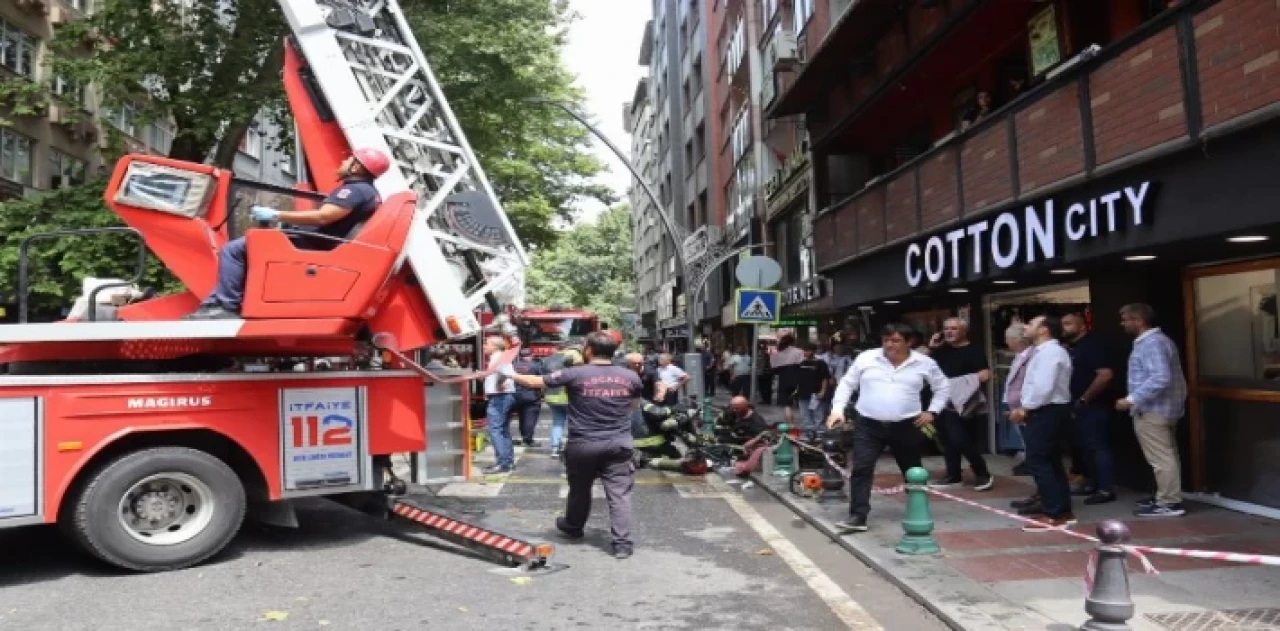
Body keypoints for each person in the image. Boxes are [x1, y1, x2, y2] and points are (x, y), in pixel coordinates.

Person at [187, 148, 391, 319]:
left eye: (349, 160)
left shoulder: (354, 190)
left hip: (306, 241)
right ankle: (223, 302)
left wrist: (277, 214)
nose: (343, 162)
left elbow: (324, 217)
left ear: (356, 167)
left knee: (233, 250)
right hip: (312, 240)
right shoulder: (369, 193)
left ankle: (225, 307)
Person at [513, 332, 644, 559]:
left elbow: (534, 381)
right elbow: (634, 406)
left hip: (583, 444)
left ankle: (573, 527)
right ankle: (622, 544)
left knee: (580, 489)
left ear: (589, 350)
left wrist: (503, 370)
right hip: (619, 444)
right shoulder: (630, 377)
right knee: (619, 494)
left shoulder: (574, 373)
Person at [826, 323, 950, 533]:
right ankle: (858, 515)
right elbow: (847, 383)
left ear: (909, 342)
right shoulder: (867, 358)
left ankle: (918, 510)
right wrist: (837, 410)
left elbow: (943, 387)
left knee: (913, 470)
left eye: (895, 340)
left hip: (906, 425)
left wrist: (933, 411)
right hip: (868, 424)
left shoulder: (924, 363)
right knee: (862, 468)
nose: (889, 345)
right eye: (886, 340)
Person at [1117, 303, 1187, 518]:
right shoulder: (1158, 341)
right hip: (1164, 408)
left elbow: (1160, 377)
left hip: (1153, 409)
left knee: (1161, 458)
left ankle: (1169, 502)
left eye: (1126, 319)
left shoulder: (1151, 343)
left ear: (1139, 320)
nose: (1122, 324)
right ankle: (1166, 496)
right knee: (1167, 455)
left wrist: (1131, 399)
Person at [1009, 316, 1076, 531]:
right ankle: (1062, 509)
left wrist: (1025, 409)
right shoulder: (1045, 352)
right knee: (1051, 460)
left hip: (1046, 411)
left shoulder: (1050, 353)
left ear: (1044, 330)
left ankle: (1052, 513)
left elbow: (1042, 387)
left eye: (1031, 324)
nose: (1025, 327)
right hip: (1050, 410)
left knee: (1039, 460)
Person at [925, 318, 994, 490]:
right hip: (940, 401)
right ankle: (953, 474)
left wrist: (954, 384)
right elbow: (922, 367)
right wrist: (932, 347)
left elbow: (985, 374)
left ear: (963, 331)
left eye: (954, 329)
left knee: (961, 439)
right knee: (946, 439)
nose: (949, 332)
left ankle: (982, 473)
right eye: (946, 328)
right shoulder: (940, 351)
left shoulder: (973, 351)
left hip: (962, 402)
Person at [1062, 312, 1116, 505]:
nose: (1064, 327)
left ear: (1082, 327)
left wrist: (1085, 399)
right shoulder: (1071, 348)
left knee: (1097, 446)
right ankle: (1091, 483)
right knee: (1084, 447)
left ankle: (1105, 489)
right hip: (1076, 406)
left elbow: (1105, 375)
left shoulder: (1092, 345)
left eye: (1068, 324)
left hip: (1094, 406)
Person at [481, 336, 518, 474]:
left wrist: (498, 383)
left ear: (495, 346)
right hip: (503, 397)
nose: (484, 346)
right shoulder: (499, 357)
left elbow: (504, 372)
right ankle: (507, 462)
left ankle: (503, 463)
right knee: (503, 430)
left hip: (499, 397)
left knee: (495, 430)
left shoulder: (499, 357)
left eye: (487, 344)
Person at [542, 343, 583, 458]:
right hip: (569, 397)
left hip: (551, 396)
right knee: (574, 423)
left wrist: (543, 394)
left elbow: (543, 380)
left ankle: (555, 448)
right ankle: (573, 448)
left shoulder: (547, 360)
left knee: (557, 422)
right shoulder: (574, 357)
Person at [791, 344, 832, 435]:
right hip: (803, 393)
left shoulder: (821, 363)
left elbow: (825, 378)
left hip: (816, 394)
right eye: (804, 350)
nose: (805, 352)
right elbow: (798, 378)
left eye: (808, 350)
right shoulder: (801, 363)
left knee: (818, 414)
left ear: (813, 351)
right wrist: (796, 390)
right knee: (805, 414)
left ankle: (818, 433)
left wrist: (822, 391)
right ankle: (808, 433)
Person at [511, 348, 544, 447]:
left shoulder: (514, 366)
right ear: (531, 355)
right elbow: (541, 380)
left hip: (516, 395)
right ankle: (528, 439)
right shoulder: (536, 366)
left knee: (522, 417)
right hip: (531, 396)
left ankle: (524, 436)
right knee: (530, 418)